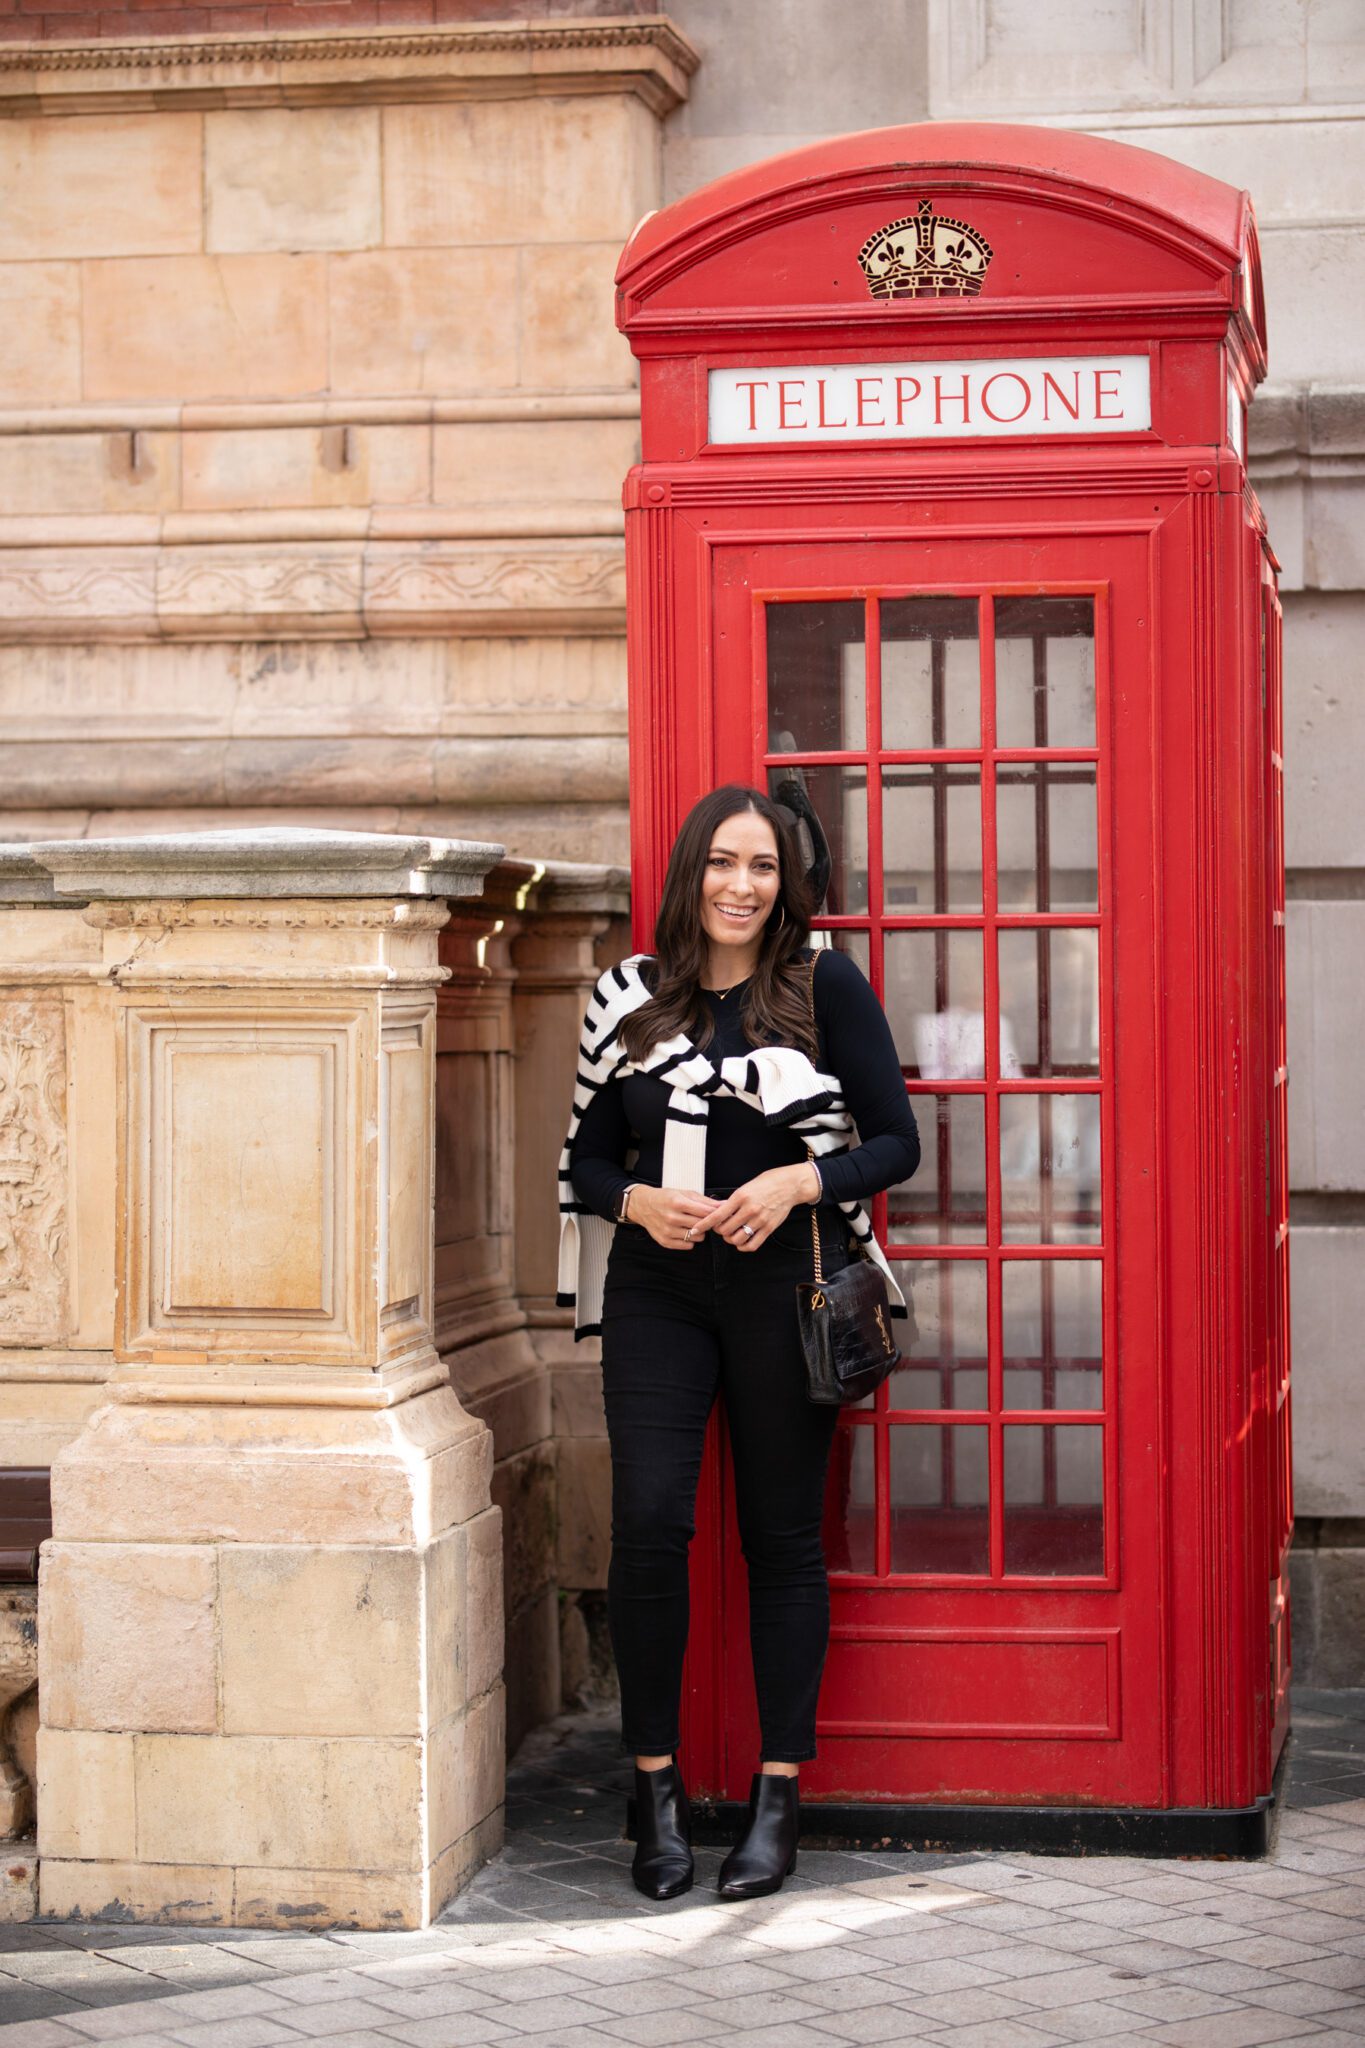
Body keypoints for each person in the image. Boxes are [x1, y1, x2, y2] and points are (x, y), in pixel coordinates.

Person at [557, 784, 919, 1901]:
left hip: (786, 1287)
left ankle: (775, 1796)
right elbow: (584, 1161)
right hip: (662, 1292)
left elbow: (896, 1139)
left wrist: (803, 1174)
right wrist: (634, 1208)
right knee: (651, 1522)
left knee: (780, 1540)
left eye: (763, 867)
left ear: (786, 882)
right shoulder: (627, 996)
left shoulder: (821, 986)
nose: (741, 885)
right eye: (723, 862)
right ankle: (656, 1794)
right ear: (688, 872)